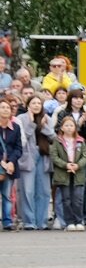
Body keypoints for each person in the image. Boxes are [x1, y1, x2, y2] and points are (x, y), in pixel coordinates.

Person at [16, 96, 53, 230]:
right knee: (27, 190)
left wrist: (43, 126)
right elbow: (22, 138)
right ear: (28, 105)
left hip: (43, 156)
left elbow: (53, 137)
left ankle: (41, 221)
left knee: (43, 190)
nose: (37, 105)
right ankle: (29, 221)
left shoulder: (46, 118)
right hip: (27, 157)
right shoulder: (21, 119)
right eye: (34, 103)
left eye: (39, 103)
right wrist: (32, 123)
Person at [50, 115, 86, 231]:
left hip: (78, 172)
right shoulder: (57, 141)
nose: (69, 128)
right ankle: (69, 222)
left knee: (78, 198)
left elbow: (85, 156)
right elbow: (54, 156)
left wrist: (77, 165)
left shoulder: (81, 141)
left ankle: (79, 220)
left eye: (71, 125)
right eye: (66, 125)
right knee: (66, 199)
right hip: (63, 172)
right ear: (61, 128)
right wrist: (65, 164)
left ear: (75, 127)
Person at [0, 100, 24, 230]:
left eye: (7, 107)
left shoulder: (16, 127)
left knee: (7, 195)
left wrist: (11, 161)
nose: (5, 110)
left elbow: (18, 148)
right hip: (1, 163)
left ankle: (7, 221)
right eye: (2, 107)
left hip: (10, 166)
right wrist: (2, 162)